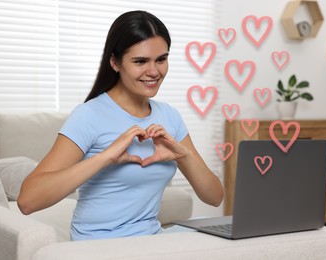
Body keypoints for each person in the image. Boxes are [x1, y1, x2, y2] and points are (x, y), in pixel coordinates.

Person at [17, 10, 223, 241]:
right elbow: (28, 201)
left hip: (152, 240)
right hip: (99, 246)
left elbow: (214, 197)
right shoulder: (89, 115)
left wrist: (183, 155)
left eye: (161, 59)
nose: (154, 71)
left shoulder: (169, 116)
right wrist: (106, 156)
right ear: (115, 62)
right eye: (140, 61)